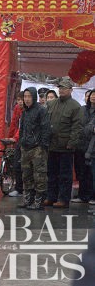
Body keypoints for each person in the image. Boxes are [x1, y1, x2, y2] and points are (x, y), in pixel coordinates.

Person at [44, 77, 83, 208]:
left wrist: (72, 143)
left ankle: (63, 199)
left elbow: (77, 127)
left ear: (70, 90)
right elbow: (46, 123)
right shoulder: (51, 104)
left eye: (64, 88)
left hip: (66, 146)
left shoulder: (75, 106)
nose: (61, 90)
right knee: (51, 173)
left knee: (65, 175)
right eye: (60, 88)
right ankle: (51, 197)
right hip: (52, 145)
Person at [17, 87, 51, 210]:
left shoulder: (41, 111)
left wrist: (42, 146)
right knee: (26, 175)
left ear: (34, 97)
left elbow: (46, 129)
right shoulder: (24, 112)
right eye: (25, 96)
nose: (26, 99)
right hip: (25, 148)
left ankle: (39, 201)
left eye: (29, 96)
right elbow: (22, 130)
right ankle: (28, 199)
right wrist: (21, 143)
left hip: (37, 149)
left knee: (39, 175)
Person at [72, 89, 95, 204]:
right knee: (81, 171)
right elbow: (77, 124)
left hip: (92, 146)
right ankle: (82, 195)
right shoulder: (82, 109)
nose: (92, 97)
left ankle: (92, 196)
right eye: (90, 95)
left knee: (91, 173)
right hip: (80, 145)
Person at [8, 91, 24, 197]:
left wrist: (15, 137)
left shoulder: (29, 109)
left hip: (27, 140)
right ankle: (18, 188)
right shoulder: (17, 108)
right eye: (18, 100)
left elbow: (22, 126)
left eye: (21, 99)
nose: (20, 102)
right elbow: (14, 123)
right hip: (18, 140)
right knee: (17, 165)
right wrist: (10, 137)